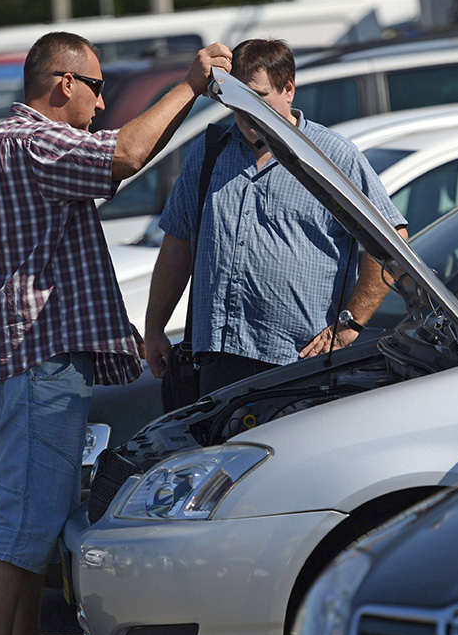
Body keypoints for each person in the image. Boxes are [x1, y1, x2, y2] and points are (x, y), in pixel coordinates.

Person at [0, 31, 231, 635]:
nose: (105, 100)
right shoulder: (33, 142)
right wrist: (191, 84)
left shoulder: (18, 147)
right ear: (62, 85)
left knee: (35, 521)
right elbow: (129, 154)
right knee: (21, 523)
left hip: (31, 363)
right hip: (32, 364)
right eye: (98, 86)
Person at [143, 38, 407, 395]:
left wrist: (348, 326)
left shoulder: (332, 157)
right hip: (218, 361)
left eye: (259, 97)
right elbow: (178, 244)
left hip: (298, 365)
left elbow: (392, 244)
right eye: (235, 97)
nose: (246, 110)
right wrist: (155, 327)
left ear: (288, 90)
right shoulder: (210, 152)